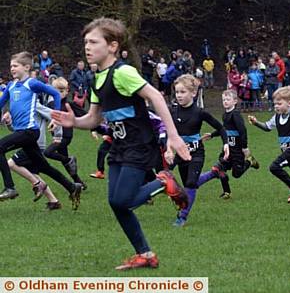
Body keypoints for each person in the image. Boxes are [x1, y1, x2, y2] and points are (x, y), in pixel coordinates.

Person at [51, 17, 191, 270]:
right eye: (85, 42)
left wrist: (173, 135)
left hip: (139, 144)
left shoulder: (123, 72)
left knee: (123, 200)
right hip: (119, 146)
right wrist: (74, 121)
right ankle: (146, 255)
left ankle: (162, 181)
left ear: (112, 46)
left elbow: (156, 96)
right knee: (116, 203)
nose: (87, 47)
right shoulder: (96, 79)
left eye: (94, 42)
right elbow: (93, 118)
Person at [0, 52, 83, 211]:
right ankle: (72, 187)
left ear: (27, 67)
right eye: (11, 66)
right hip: (24, 133)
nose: (12, 68)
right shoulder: (11, 86)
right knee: (43, 166)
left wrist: (56, 117)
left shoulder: (32, 83)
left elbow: (55, 94)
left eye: (15, 65)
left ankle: (10, 187)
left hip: (30, 131)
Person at [170, 74, 228, 227]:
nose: (179, 95)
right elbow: (167, 131)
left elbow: (221, 128)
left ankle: (182, 216)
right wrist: (168, 148)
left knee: (190, 184)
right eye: (177, 92)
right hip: (181, 153)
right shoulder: (173, 112)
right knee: (186, 184)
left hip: (196, 153)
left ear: (193, 93)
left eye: (182, 92)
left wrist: (226, 144)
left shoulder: (200, 112)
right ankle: (214, 173)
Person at [195, 90, 259, 198]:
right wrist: (212, 135)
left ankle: (249, 161)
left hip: (237, 151)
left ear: (235, 101)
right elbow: (224, 130)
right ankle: (226, 192)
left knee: (236, 174)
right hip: (227, 149)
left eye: (228, 99)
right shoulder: (225, 115)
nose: (225, 101)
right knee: (219, 169)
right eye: (224, 99)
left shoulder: (236, 115)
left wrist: (244, 147)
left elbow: (243, 131)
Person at [43, 77, 87, 189]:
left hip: (66, 136)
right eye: (57, 91)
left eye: (62, 91)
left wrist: (94, 129)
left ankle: (69, 160)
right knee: (65, 162)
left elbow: (85, 115)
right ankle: (79, 182)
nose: (60, 94)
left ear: (67, 91)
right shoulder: (51, 104)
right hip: (56, 136)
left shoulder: (69, 104)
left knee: (48, 153)